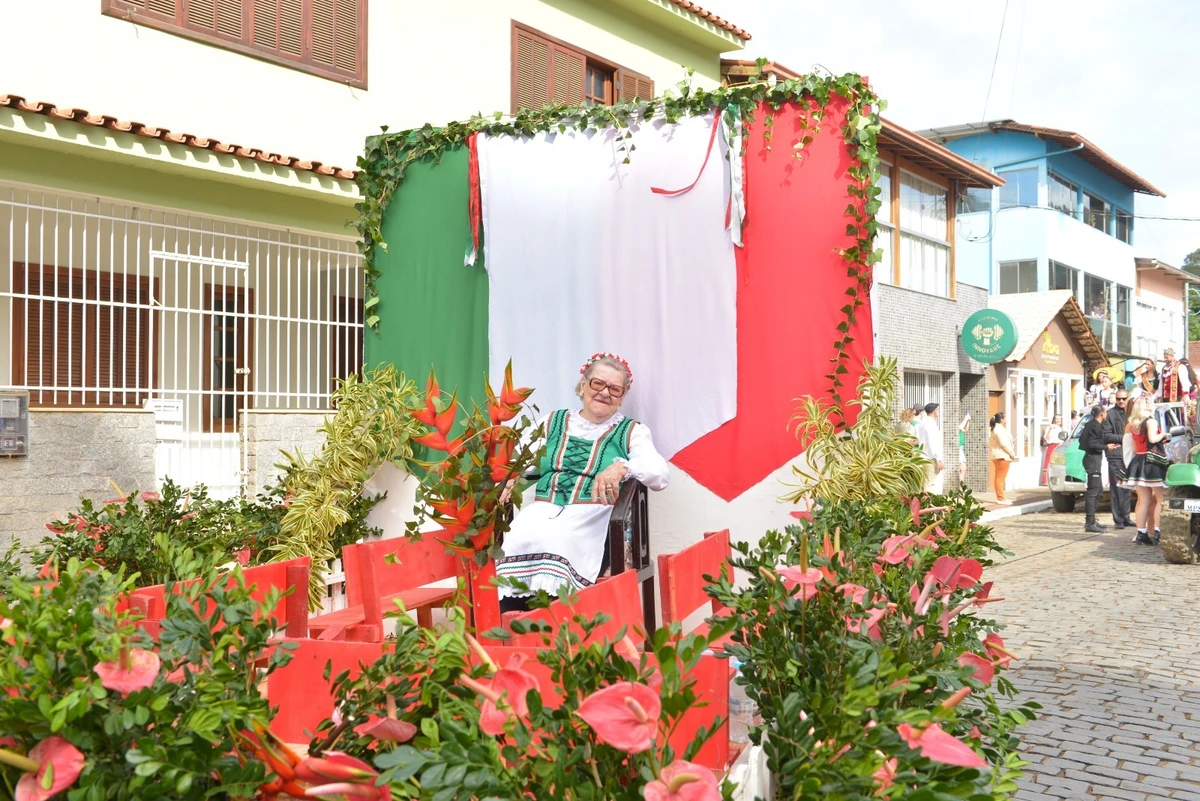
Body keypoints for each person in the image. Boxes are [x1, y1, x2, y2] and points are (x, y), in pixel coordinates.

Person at [495, 353, 669, 611]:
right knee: (518, 538)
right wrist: (510, 476)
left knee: (561, 539)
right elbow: (521, 458)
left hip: (592, 518)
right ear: (583, 385)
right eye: (598, 383)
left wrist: (622, 467)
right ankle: (515, 627)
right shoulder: (553, 422)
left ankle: (562, 629)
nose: (604, 393)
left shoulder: (632, 431)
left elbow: (659, 474)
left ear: (621, 397)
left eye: (614, 389)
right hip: (544, 510)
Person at [1122, 396, 1170, 546]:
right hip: (1152, 462)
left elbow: (1135, 448)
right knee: (1161, 499)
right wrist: (1163, 435)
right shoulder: (1151, 421)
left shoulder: (1132, 424)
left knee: (1143, 500)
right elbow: (1153, 438)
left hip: (1139, 460)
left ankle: (1141, 533)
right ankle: (1158, 531)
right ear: (1148, 406)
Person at [1079, 405, 1115, 534]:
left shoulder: (1092, 425)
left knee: (1099, 491)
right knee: (1093, 491)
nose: (1106, 415)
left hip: (1094, 459)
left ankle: (1092, 520)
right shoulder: (1093, 426)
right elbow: (1091, 444)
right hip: (1092, 459)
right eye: (1105, 413)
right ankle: (1089, 523)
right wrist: (1106, 447)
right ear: (1102, 414)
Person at [1103, 391, 1134, 530]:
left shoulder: (1132, 413)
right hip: (1115, 455)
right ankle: (1118, 519)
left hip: (1130, 454)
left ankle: (1126, 516)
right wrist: (1125, 438)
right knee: (1116, 488)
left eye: (1123, 398)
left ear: (1128, 399)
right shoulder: (1110, 414)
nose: (1121, 401)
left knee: (1127, 487)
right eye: (1118, 399)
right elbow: (1106, 435)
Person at [1156, 348, 1191, 429]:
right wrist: (1158, 396)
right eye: (1164, 357)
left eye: (1166, 357)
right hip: (1166, 399)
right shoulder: (1164, 368)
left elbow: (1184, 381)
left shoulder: (1180, 366)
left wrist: (1186, 394)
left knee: (1177, 417)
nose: (1165, 359)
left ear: (1172, 356)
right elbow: (1161, 385)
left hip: (1177, 398)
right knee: (1166, 419)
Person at [988, 412, 1016, 505]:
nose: (1006, 419)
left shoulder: (996, 428)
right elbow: (1003, 444)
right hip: (1002, 455)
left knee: (998, 477)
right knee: (1000, 478)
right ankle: (1001, 498)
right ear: (1001, 419)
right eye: (1005, 417)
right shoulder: (999, 429)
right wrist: (1011, 453)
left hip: (997, 455)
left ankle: (1001, 497)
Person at [916, 402, 944, 494]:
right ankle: (928, 505)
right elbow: (933, 442)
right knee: (930, 484)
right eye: (937, 410)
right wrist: (939, 459)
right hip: (930, 458)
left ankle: (921, 505)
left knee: (923, 483)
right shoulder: (931, 424)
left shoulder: (921, 423)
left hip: (921, 457)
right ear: (934, 411)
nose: (938, 412)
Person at [1040, 414, 1064, 486]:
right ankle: (1045, 480)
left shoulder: (1061, 428)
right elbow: (1048, 438)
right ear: (1054, 419)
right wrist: (1050, 429)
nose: (1058, 420)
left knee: (1059, 463)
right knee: (1048, 462)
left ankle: (1058, 479)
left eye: (1059, 419)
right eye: (1057, 419)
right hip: (1052, 445)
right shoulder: (1051, 427)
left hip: (1060, 446)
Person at [957, 412, 971, 487]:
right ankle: (961, 487)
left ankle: (961, 487)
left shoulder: (961, 428)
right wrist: (966, 418)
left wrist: (968, 420)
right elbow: (959, 427)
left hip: (961, 449)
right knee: (962, 468)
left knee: (963, 469)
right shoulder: (957, 428)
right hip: (958, 449)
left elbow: (965, 429)